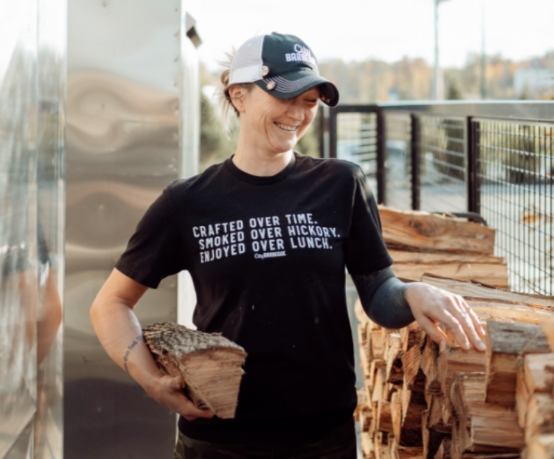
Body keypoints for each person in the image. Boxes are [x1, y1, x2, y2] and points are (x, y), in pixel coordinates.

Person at [90, 32, 486, 459]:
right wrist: (151, 380)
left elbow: (377, 292)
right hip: (219, 441)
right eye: (287, 96)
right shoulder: (187, 202)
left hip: (322, 439)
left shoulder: (340, 184)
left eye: (311, 101)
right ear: (239, 96)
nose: (299, 114)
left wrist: (411, 293)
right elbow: (110, 304)